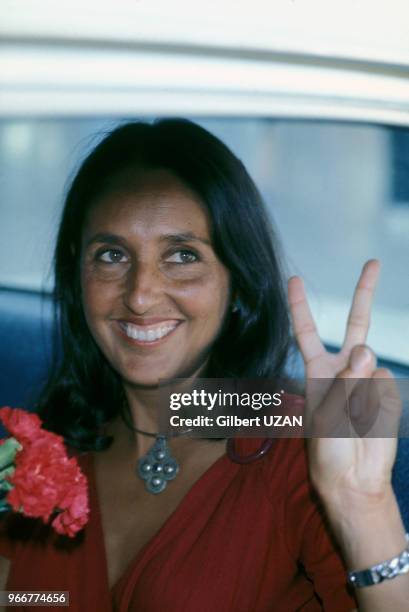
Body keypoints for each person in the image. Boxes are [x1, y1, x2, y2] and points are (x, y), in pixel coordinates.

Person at [0, 119, 408, 611]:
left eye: (182, 256)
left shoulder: (302, 450)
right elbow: (36, 598)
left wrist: (364, 508)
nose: (141, 295)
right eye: (111, 255)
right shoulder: (39, 460)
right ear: (77, 271)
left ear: (237, 281)